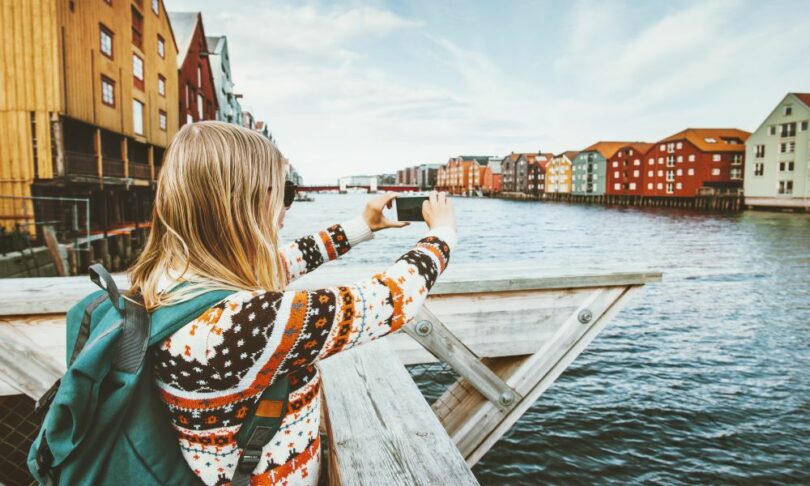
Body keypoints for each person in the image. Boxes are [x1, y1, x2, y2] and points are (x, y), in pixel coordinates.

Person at [128, 121, 457, 485]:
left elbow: (279, 263)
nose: (288, 205)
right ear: (246, 200)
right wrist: (442, 234)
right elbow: (391, 299)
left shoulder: (166, 281)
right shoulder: (240, 325)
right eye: (285, 191)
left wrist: (363, 226)